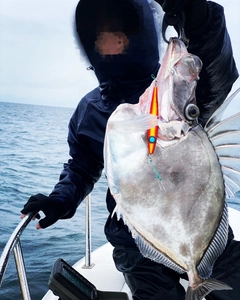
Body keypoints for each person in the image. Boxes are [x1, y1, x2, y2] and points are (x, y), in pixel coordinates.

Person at [21, 0, 240, 299]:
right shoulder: (91, 110)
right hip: (137, 237)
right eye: (102, 37)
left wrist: (199, 16)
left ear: (141, 36)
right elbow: (82, 166)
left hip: (200, 227)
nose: (112, 43)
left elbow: (216, 73)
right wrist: (60, 201)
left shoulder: (173, 88)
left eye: (121, 34)